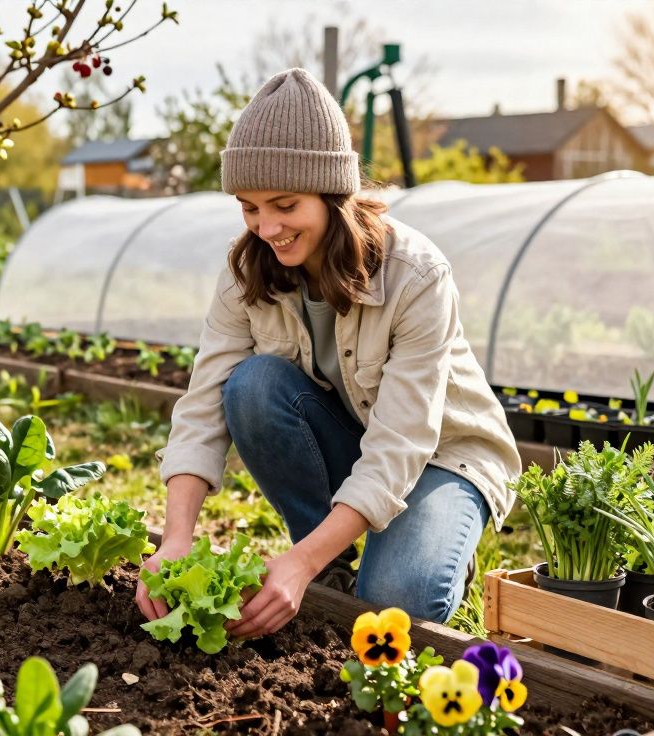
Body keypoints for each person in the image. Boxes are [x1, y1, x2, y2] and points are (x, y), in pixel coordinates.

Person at [134, 68, 521, 635]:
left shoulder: (415, 274)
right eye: (248, 207)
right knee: (251, 386)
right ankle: (327, 561)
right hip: (353, 436)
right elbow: (204, 403)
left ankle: (417, 549)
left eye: (285, 205)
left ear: (333, 193)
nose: (266, 227)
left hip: (442, 455)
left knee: (394, 602)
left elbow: (402, 442)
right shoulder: (245, 272)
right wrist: (175, 540)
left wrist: (299, 562)